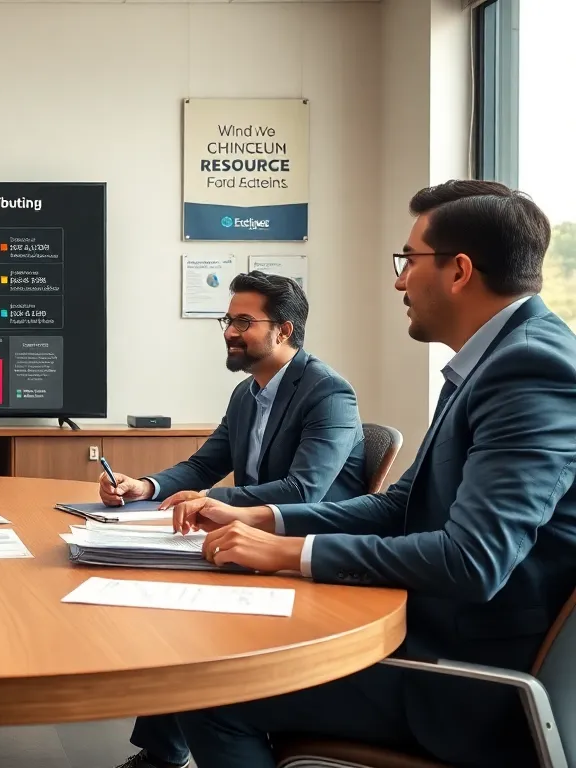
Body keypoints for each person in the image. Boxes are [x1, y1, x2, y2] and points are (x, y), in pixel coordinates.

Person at [169, 180, 576, 767]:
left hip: (467, 683)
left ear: (458, 271)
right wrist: (261, 517)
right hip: (435, 639)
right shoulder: (491, 361)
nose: (398, 280)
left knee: (209, 688)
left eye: (408, 260)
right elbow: (398, 505)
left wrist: (286, 554)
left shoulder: (528, 369)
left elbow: (474, 561)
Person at [102, 272, 367, 768]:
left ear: (284, 330)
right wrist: (146, 486)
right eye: (228, 319)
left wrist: (208, 501)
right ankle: (161, 754)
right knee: (166, 610)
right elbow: (203, 463)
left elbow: (302, 491)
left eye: (244, 321)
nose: (229, 331)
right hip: (248, 541)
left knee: (180, 622)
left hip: (307, 553)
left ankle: (165, 754)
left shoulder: (328, 393)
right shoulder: (248, 393)